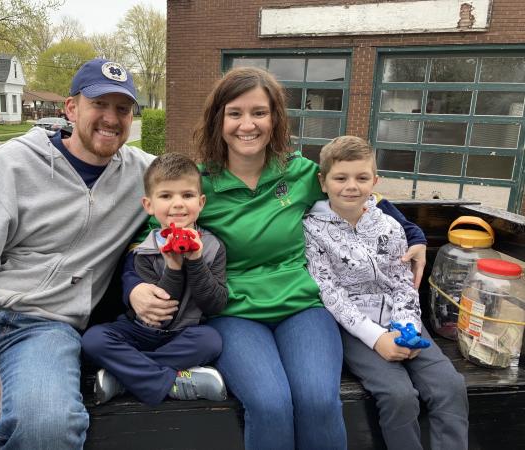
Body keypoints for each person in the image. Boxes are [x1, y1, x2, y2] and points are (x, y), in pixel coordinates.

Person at [126, 67, 428, 450]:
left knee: (318, 402)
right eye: (235, 113)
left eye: (259, 112)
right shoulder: (197, 185)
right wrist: (135, 287)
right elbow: (145, 239)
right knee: (270, 404)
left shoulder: (301, 174)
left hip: (302, 306)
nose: (247, 124)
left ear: (275, 119)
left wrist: (415, 235)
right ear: (219, 119)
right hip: (234, 312)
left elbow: (361, 196)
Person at [0, 58, 155, 449]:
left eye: (122, 109)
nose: (111, 118)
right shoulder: (12, 163)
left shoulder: (145, 175)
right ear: (71, 108)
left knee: (47, 428)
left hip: (45, 329)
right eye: (99, 104)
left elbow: (210, 181)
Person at [303, 136, 468, 450]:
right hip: (357, 331)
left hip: (403, 319)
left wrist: (406, 326)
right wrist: (378, 338)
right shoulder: (312, 230)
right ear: (323, 182)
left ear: (375, 182)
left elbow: (402, 280)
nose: (351, 186)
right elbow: (329, 291)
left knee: (450, 385)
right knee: (399, 395)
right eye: (341, 178)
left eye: (362, 177)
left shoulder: (389, 226)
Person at [82, 152, 228, 406]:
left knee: (211, 341)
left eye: (187, 195)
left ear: (201, 202)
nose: (178, 204)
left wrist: (195, 262)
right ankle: (172, 380)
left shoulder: (213, 247)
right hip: (142, 331)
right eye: (166, 196)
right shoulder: (143, 251)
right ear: (149, 205)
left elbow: (214, 304)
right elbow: (161, 313)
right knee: (93, 340)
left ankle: (125, 376)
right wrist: (172, 267)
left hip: (185, 332)